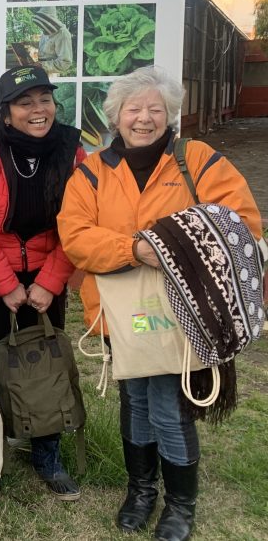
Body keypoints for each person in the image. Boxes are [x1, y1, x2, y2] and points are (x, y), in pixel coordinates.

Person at [58, 66, 262, 541]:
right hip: (120, 314)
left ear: (170, 113)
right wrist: (137, 250)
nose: (144, 118)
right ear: (116, 117)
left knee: (168, 407)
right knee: (135, 401)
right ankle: (141, 490)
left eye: (155, 109)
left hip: (185, 313)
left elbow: (242, 224)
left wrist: (173, 246)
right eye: (134, 109)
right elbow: (76, 236)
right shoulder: (91, 171)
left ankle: (179, 505)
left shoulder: (198, 159)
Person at [0, 65, 85, 500]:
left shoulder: (73, 151)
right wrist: (5, 283)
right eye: (25, 102)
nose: (37, 110)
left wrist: (49, 282)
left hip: (49, 270)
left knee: (46, 363)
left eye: (44, 99)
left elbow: (78, 224)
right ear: (7, 112)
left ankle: (46, 451)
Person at [32, 6, 74, 77]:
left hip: (52, 74)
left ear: (49, 20)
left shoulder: (63, 34)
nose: (41, 26)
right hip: (42, 72)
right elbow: (47, 49)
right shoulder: (45, 32)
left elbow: (65, 63)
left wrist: (42, 65)